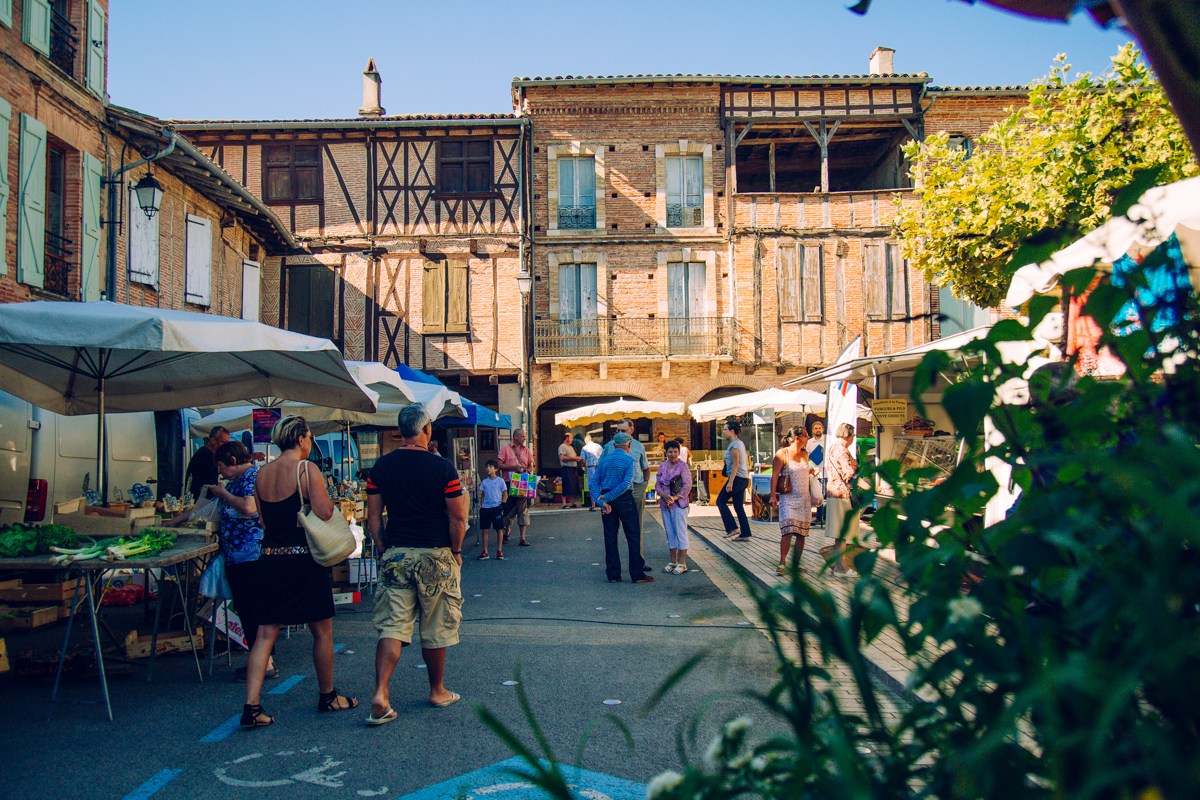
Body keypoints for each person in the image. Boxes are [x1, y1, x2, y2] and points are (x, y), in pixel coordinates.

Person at [241, 416, 356, 729]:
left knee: (265, 633)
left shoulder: (260, 473)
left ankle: (251, 707)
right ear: (302, 438)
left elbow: (264, 521)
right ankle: (328, 695)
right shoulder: (306, 469)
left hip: (268, 557)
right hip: (303, 559)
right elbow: (325, 511)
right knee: (322, 630)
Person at [366, 403, 467, 725]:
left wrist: (384, 547)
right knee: (436, 626)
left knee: (393, 625)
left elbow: (372, 518)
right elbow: (458, 517)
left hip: (397, 552)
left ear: (400, 432)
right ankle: (437, 690)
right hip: (435, 553)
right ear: (427, 430)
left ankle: (381, 693)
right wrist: (456, 549)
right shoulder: (442, 468)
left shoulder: (380, 467)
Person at [204, 441, 276, 681]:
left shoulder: (252, 476)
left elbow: (248, 508)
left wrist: (223, 493)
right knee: (249, 608)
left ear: (233, 461)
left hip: (249, 554)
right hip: (240, 555)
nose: (220, 472)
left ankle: (263, 663)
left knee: (250, 608)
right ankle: (264, 660)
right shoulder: (240, 479)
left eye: (222, 466)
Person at [593, 432, 653, 584]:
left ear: (614, 445)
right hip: (625, 498)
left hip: (607, 500)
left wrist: (602, 502)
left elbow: (593, 484)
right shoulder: (629, 460)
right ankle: (637, 573)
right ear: (629, 445)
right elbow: (626, 484)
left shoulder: (605, 460)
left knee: (610, 536)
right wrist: (608, 497)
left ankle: (613, 574)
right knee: (633, 535)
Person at [770, 426, 814, 576]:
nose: (808, 438)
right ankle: (782, 562)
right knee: (788, 531)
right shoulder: (782, 453)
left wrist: (814, 470)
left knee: (801, 533)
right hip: (788, 498)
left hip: (804, 499)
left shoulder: (806, 454)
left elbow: (808, 469)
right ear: (797, 438)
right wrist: (773, 496)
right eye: (806, 435)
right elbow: (775, 475)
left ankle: (796, 562)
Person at [825, 422, 861, 578]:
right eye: (853, 436)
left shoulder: (832, 448)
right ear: (848, 435)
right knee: (842, 533)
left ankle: (839, 565)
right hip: (842, 493)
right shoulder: (842, 451)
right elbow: (851, 475)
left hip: (833, 491)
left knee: (839, 534)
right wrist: (872, 488)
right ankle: (841, 568)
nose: (853, 439)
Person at [654, 440, 692, 574]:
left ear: (679, 452)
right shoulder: (662, 466)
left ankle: (682, 563)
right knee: (670, 533)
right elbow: (657, 484)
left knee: (681, 532)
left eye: (675, 451)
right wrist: (663, 495)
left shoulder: (683, 466)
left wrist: (674, 498)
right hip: (665, 503)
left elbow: (687, 485)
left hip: (679, 504)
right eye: (670, 451)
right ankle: (673, 561)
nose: (673, 454)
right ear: (666, 452)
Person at [498, 429, 535, 547]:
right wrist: (513, 467)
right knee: (509, 509)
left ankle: (522, 538)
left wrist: (526, 470)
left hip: (523, 482)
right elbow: (498, 465)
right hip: (509, 483)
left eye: (524, 436)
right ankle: (507, 530)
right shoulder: (505, 448)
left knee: (523, 509)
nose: (524, 438)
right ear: (515, 437)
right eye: (522, 436)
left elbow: (531, 465)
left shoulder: (526, 450)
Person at [718, 418, 753, 541]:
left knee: (720, 501)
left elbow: (735, 464)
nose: (723, 432)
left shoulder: (734, 445)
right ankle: (745, 534)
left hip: (737, 478)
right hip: (742, 478)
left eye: (725, 430)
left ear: (732, 431)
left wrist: (730, 482)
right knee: (738, 506)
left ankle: (732, 528)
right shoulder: (740, 443)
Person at [187, 426, 229, 500]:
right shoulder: (207, 455)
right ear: (213, 440)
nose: (225, 446)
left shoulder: (204, 452)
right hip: (200, 498)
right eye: (223, 442)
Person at [478, 459, 506, 561]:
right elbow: (482, 495)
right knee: (484, 530)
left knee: (499, 529)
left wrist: (502, 505)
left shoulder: (500, 481)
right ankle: (485, 551)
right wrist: (482, 507)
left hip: (496, 507)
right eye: (487, 466)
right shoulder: (485, 482)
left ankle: (499, 550)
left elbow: (505, 494)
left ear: (496, 469)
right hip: (486, 508)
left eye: (490, 467)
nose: (488, 468)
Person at [808, 420, 827, 528]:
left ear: (823, 430)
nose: (818, 430)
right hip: (815, 473)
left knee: (824, 496)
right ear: (813, 430)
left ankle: (823, 517)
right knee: (817, 496)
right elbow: (807, 455)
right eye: (816, 428)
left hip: (825, 472)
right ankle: (819, 517)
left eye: (819, 428)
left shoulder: (826, 440)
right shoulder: (810, 442)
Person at [558, 432, 582, 509]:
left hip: (573, 469)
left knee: (573, 486)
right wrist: (573, 458)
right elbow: (562, 458)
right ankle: (564, 503)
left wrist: (577, 458)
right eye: (571, 438)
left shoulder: (571, 447)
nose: (572, 440)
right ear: (567, 438)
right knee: (566, 485)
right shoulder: (562, 446)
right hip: (567, 468)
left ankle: (572, 503)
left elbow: (573, 456)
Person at [581, 434, 603, 511]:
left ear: (586, 441)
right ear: (592, 440)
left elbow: (583, 461)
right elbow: (603, 456)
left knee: (592, 486)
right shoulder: (599, 446)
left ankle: (593, 505)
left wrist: (583, 465)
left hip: (590, 467)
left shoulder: (585, 448)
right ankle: (603, 503)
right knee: (601, 485)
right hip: (599, 467)